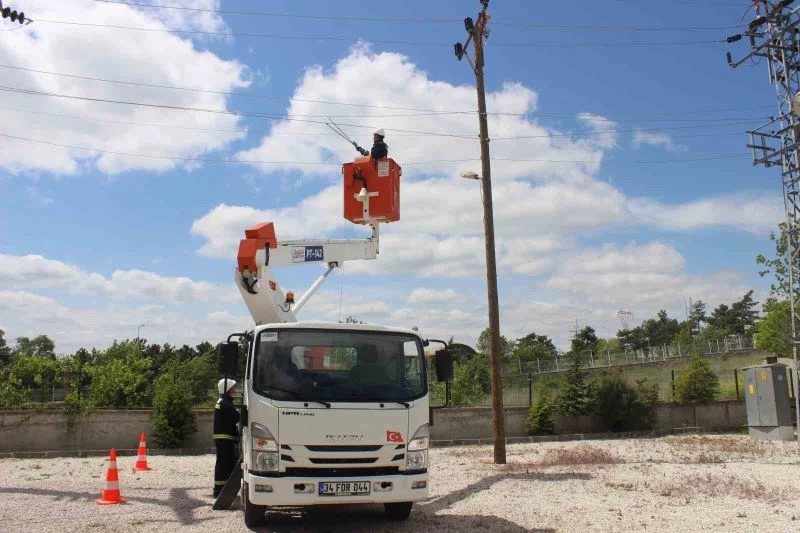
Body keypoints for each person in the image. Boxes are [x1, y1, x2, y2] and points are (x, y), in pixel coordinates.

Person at [212, 378, 239, 498]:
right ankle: (218, 490)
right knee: (223, 464)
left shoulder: (224, 401)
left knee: (226, 463)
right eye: (232, 388)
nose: (234, 390)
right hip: (225, 437)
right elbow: (236, 418)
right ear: (227, 389)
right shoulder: (225, 403)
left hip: (224, 437)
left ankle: (222, 489)